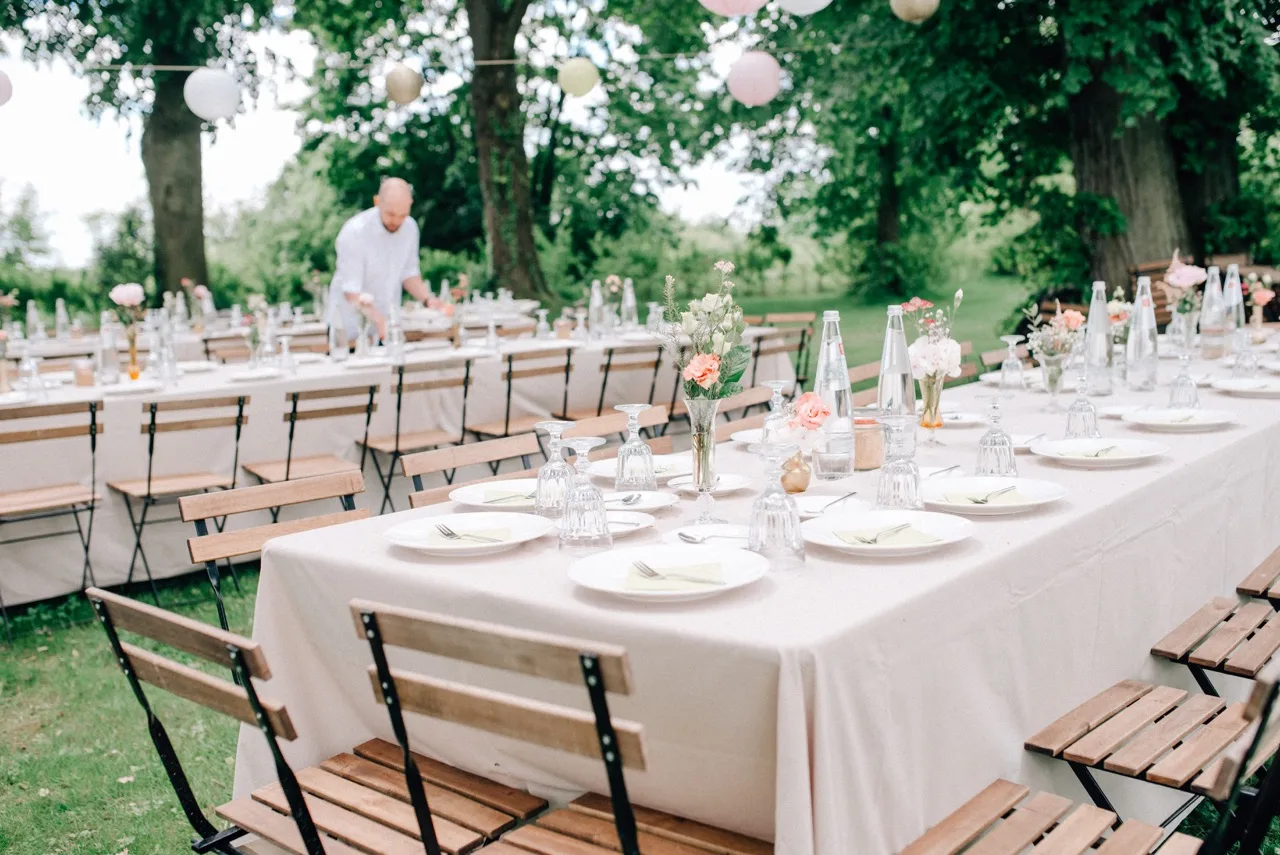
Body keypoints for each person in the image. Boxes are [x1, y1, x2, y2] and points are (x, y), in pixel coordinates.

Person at [326, 177, 432, 341]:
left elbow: (409, 274)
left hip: (387, 325)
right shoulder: (354, 232)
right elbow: (351, 291)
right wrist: (380, 321)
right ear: (377, 202)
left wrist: (430, 300)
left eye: (402, 215)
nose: (396, 221)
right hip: (348, 330)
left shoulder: (410, 228)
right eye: (390, 214)